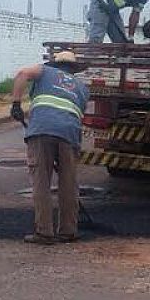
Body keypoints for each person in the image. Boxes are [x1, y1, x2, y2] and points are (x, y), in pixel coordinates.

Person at [10, 49, 90, 245]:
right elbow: (78, 115)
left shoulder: (45, 71)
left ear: (56, 63)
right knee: (68, 183)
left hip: (42, 131)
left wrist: (16, 104)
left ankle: (45, 232)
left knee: (42, 182)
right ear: (73, 69)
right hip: (70, 134)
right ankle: (69, 231)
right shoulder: (82, 87)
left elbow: (21, 74)